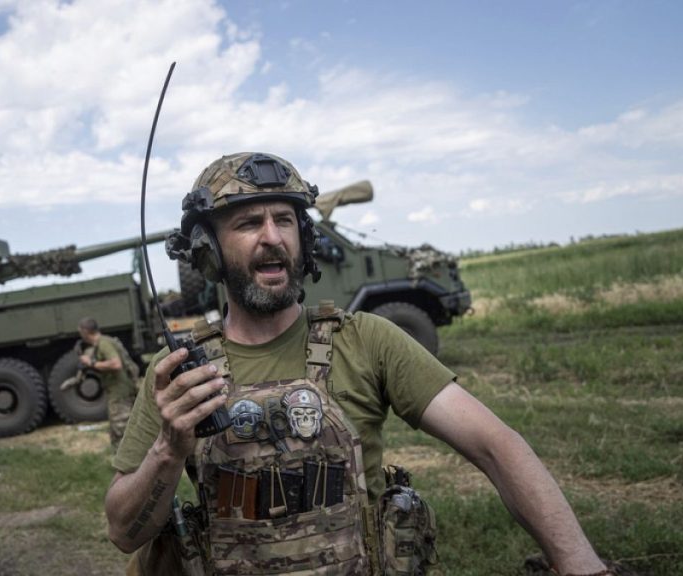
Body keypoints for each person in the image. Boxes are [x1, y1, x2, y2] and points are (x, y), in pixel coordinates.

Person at [104, 152, 611, 575]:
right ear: (208, 251)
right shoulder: (178, 374)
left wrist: (581, 565)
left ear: (303, 238)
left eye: (285, 220)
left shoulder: (366, 339)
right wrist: (168, 450)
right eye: (248, 223)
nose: (272, 236)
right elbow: (124, 532)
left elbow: (497, 447)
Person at [75, 317, 138, 451]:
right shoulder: (103, 342)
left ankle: (130, 458)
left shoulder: (104, 344)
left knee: (122, 430)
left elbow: (116, 364)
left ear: (86, 332)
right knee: (119, 430)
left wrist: (91, 363)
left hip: (119, 392)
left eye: (80, 332)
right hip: (120, 390)